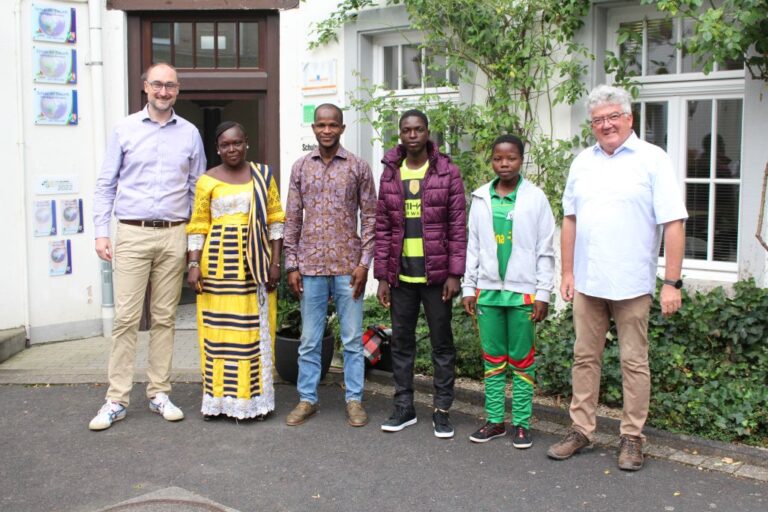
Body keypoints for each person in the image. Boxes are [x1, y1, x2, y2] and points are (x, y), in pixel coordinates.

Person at [547, 84, 687, 470]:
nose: (606, 125)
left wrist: (671, 282)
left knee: (634, 362)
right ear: (591, 126)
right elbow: (570, 218)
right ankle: (581, 430)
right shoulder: (583, 162)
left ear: (629, 118)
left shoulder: (653, 159)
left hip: (632, 284)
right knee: (584, 359)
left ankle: (631, 437)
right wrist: (569, 270)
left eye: (613, 117)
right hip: (589, 283)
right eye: (598, 120)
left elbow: (673, 223)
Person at [90, 62, 206, 430]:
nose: (163, 91)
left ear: (178, 90)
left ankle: (159, 392)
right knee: (125, 319)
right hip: (132, 233)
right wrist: (100, 231)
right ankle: (116, 399)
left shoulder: (189, 134)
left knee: (164, 318)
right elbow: (106, 183)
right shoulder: (124, 129)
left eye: (170, 86)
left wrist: (193, 244)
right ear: (145, 87)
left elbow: (196, 191)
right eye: (157, 84)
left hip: (174, 232)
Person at [283, 104, 376, 427]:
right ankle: (307, 399)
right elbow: (292, 218)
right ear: (313, 128)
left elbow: (371, 218)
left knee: (351, 340)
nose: (326, 130)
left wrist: (365, 263)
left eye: (332, 125)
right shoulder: (300, 168)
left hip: (348, 266)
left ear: (342, 128)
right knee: (310, 339)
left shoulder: (358, 167)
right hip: (310, 266)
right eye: (321, 125)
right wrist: (291, 264)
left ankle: (354, 399)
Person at [375, 109, 466, 438]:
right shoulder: (390, 172)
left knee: (442, 344)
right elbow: (383, 227)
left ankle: (442, 410)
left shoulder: (447, 172)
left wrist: (455, 273)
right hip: (401, 277)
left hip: (437, 276)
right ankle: (404, 406)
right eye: (406, 130)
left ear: (428, 133)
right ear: (400, 134)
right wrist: (383, 276)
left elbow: (457, 226)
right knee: (401, 344)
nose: (412, 135)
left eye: (418, 129)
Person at [186, 121, 284, 420]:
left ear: (246, 144)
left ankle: (253, 399)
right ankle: (219, 400)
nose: (232, 149)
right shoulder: (207, 180)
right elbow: (199, 224)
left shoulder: (263, 175)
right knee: (219, 332)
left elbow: (276, 220)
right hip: (216, 268)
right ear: (218, 148)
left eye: (237, 143)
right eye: (226, 144)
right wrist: (193, 264)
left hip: (253, 267)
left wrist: (275, 262)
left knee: (251, 331)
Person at [462, 134, 555, 448]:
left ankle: (522, 423)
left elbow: (545, 250)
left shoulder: (535, 198)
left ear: (521, 160)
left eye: (511, 158)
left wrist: (543, 293)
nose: (504, 164)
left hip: (522, 294)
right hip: (487, 291)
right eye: (498, 158)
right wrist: (468, 287)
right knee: (492, 360)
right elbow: (472, 247)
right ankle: (494, 421)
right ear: (492, 160)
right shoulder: (481, 198)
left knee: (522, 360)